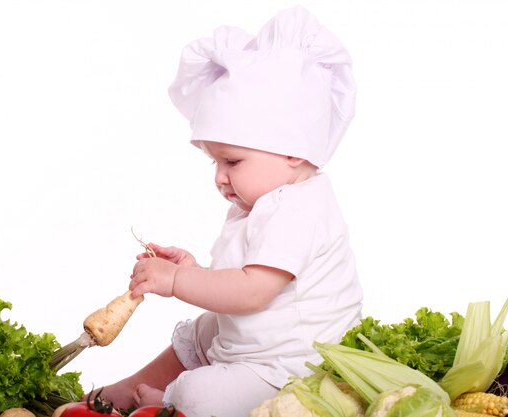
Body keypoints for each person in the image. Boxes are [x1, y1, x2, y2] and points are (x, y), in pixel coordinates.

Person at [92, 6, 363, 417]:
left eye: (232, 162)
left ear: (292, 149)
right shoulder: (263, 198)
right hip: (256, 341)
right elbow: (242, 278)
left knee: (203, 396)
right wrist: (196, 269)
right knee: (206, 331)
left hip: (293, 366)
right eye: (214, 163)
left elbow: (253, 292)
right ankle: (130, 387)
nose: (219, 178)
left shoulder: (298, 210)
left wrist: (180, 280)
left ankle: (167, 402)